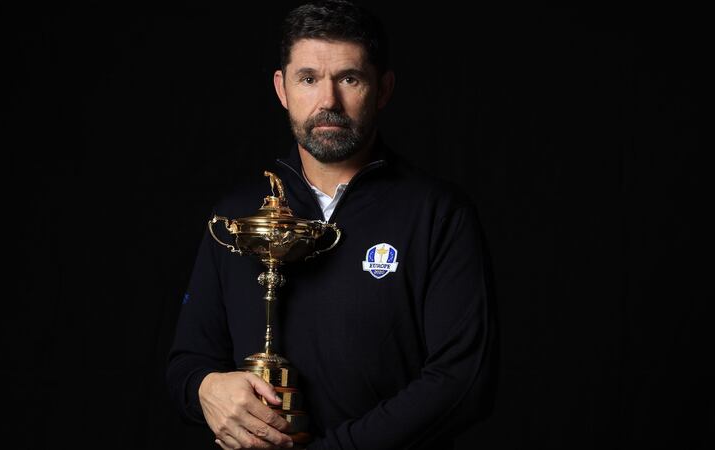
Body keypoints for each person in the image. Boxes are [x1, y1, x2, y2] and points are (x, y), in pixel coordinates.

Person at [167, 1, 497, 448]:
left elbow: (462, 382)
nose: (328, 102)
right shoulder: (239, 216)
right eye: (308, 79)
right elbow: (187, 362)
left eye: (349, 78)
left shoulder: (438, 214)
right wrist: (206, 389)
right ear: (282, 89)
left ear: (382, 89)